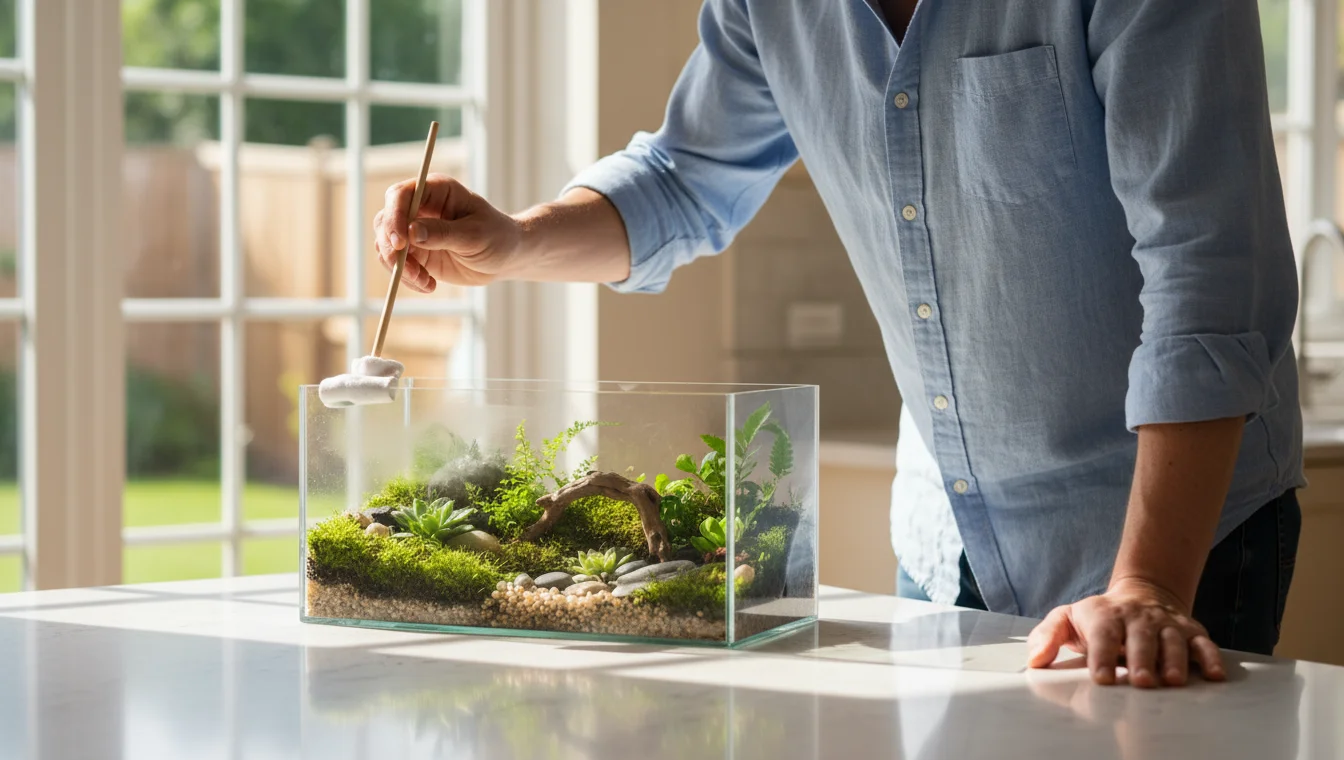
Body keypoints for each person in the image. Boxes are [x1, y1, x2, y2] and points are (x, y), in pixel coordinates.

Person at [372, 0, 1303, 688]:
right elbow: (683, 178)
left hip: (1175, 539)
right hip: (948, 542)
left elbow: (1209, 279)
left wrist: (1145, 582)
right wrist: (520, 239)